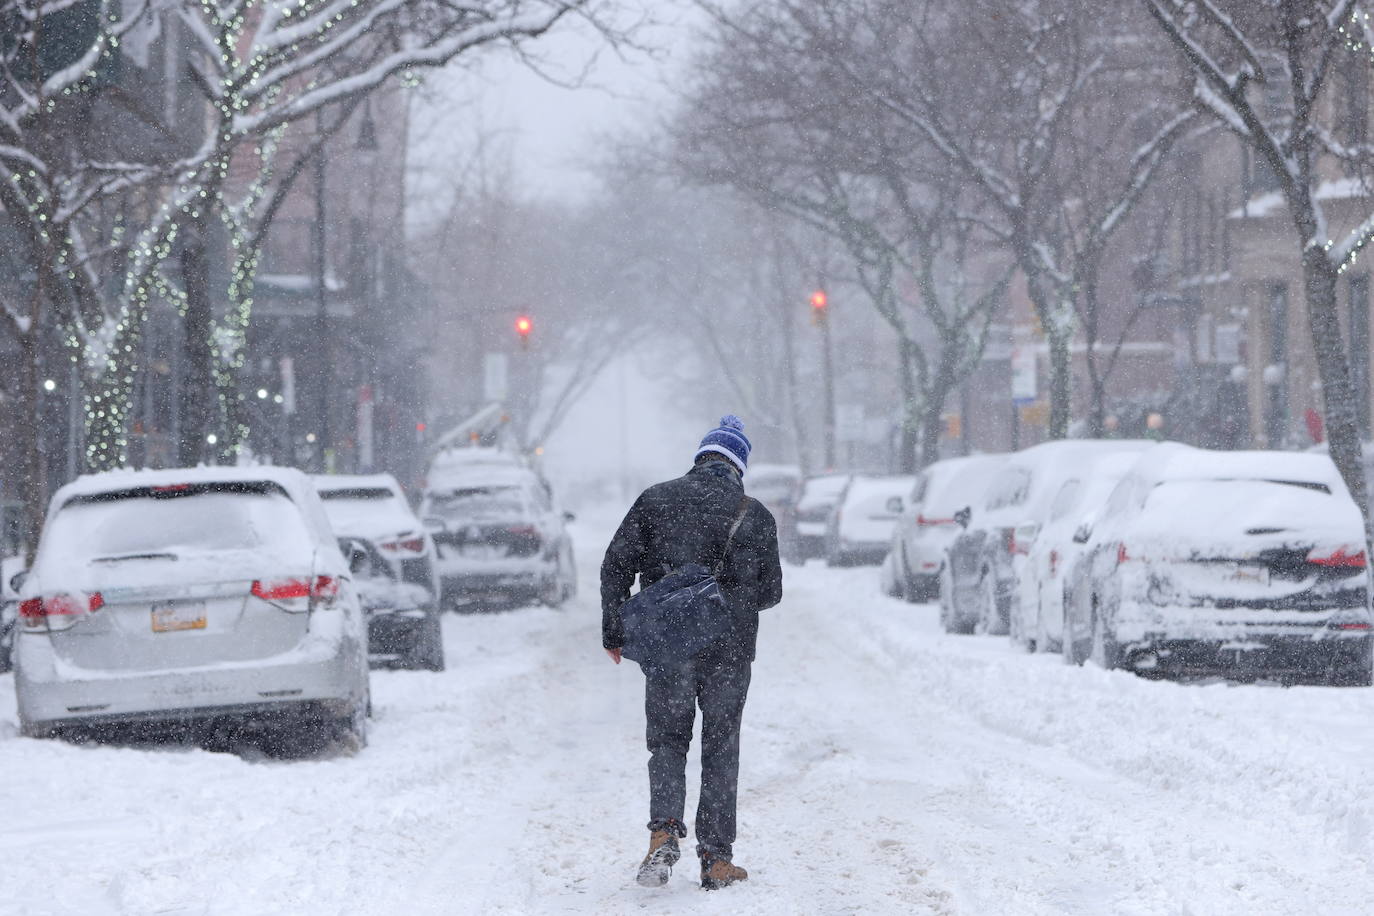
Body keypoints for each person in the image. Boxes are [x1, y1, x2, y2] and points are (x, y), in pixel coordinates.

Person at [601, 415, 784, 891]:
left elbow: (615, 566)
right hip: (730, 651)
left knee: (667, 741)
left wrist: (613, 630)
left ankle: (663, 832)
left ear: (701, 456)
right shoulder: (755, 514)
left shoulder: (656, 500)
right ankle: (716, 860)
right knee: (720, 748)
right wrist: (727, 599)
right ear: (738, 465)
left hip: (668, 649)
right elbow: (772, 593)